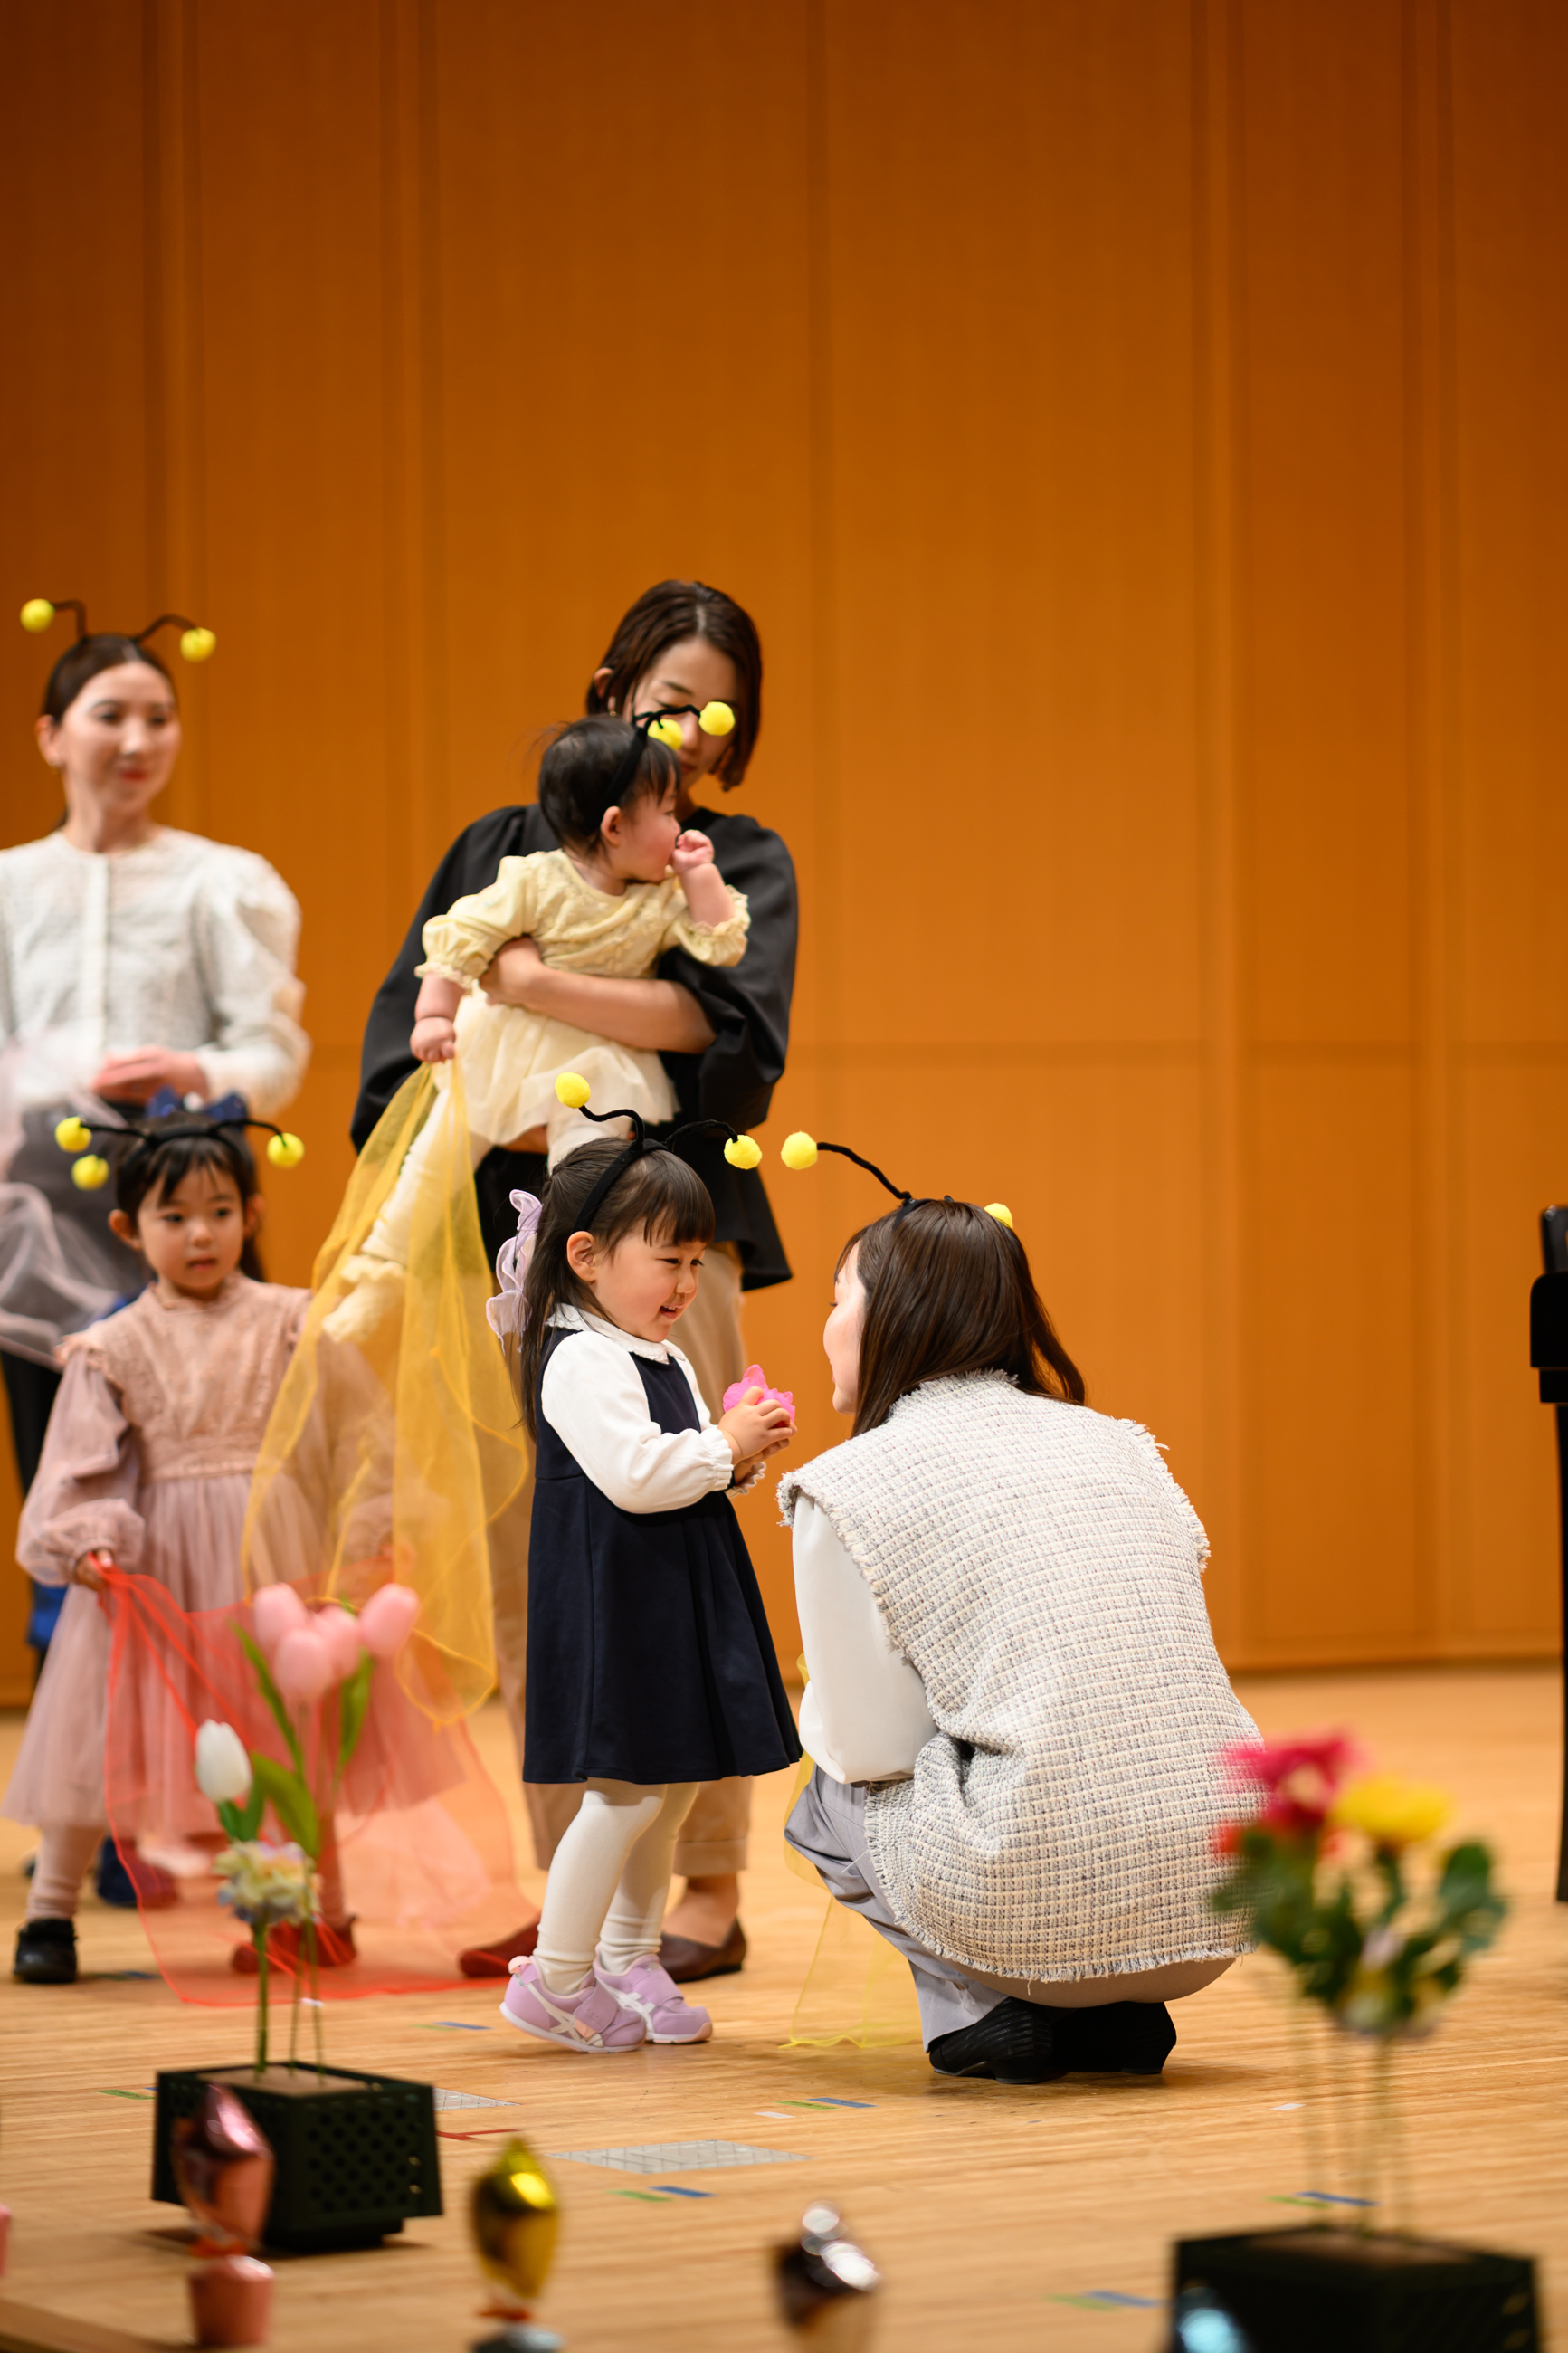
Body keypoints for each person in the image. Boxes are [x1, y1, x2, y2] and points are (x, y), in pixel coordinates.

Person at [354, 580, 794, 1981]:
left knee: (688, 1541)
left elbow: (723, 1034)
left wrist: (531, 984)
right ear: (610, 691)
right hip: (513, 1237)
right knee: (541, 1559)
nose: (694, 730)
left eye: (719, 711)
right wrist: (492, 1002)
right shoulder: (498, 848)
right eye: (670, 699)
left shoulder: (731, 857)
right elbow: (418, 1022)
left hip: (671, 1229)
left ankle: (708, 1888)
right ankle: (577, 1897)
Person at [777, 1164, 1259, 2086]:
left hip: (1027, 1908)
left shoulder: (849, 1480)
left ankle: (986, 2012)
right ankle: (1109, 2015)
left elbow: (870, 1747)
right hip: (1223, 1895)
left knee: (820, 1800)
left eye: (838, 1296)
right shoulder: (1118, 1439)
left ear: (890, 1315)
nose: (827, 1323)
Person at [0, 601, 309, 1668]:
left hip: (186, 1210)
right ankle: (86, 1815)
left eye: (160, 717)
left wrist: (192, 1071)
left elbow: (272, 1054)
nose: (138, 742)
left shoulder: (219, 879)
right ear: (51, 734)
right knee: (70, 1487)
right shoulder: (7, 887)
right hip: (33, 1228)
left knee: (218, 1490)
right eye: (109, 716)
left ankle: (230, 1799)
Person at [493, 1131, 798, 2053]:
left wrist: (737, 1455)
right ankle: (553, 1977)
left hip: (667, 1593)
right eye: (668, 1258)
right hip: (615, 1606)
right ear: (585, 1256)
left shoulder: (654, 1354)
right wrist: (723, 1447)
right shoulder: (581, 1358)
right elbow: (635, 1474)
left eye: (696, 1261)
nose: (685, 1282)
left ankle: (629, 1954)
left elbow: (687, 1462)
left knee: (666, 1790)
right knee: (624, 1794)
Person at [5, 1107, 312, 1985]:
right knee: (94, 1734)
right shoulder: (110, 1345)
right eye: (171, 1217)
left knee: (272, 1731)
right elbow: (75, 1462)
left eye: (217, 1210)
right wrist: (89, 1542)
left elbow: (335, 1430)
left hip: (263, 1560)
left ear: (251, 1214)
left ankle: (281, 1908)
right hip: (148, 1570)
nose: (199, 1233)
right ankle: (52, 1910)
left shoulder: (291, 1321)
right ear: (127, 1228)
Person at [328, 713, 749, 1339]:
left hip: (594, 1061)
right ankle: (382, 1274)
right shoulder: (532, 879)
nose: (678, 824)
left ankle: (575, 1271)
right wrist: (435, 1014)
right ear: (614, 827)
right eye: (665, 811)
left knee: (594, 1162)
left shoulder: (660, 896)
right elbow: (458, 936)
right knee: (436, 1158)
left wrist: (698, 874)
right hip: (507, 1047)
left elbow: (721, 943)